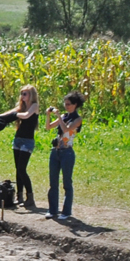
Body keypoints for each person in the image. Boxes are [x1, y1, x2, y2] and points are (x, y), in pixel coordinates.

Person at [0, 85, 41, 211]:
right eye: (21, 93)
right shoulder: (21, 107)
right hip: (18, 139)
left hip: (27, 141)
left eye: (25, 94)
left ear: (31, 95)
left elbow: (26, 115)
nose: (22, 96)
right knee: (18, 169)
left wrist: (15, 114)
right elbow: (10, 113)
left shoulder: (34, 106)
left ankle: (30, 197)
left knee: (22, 169)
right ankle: (20, 196)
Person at [45, 92, 83, 222]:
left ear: (75, 105)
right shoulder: (63, 116)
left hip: (67, 152)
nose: (66, 107)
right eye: (65, 104)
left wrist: (58, 116)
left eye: (68, 104)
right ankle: (52, 210)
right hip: (55, 152)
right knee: (53, 182)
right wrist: (48, 115)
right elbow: (48, 127)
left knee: (67, 183)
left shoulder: (77, 119)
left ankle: (66, 211)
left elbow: (67, 129)